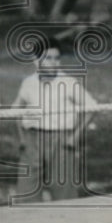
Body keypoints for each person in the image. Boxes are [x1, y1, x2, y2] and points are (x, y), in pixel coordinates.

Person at [12, 37, 98, 202]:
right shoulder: (28, 83)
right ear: (36, 61)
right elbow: (15, 111)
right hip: (32, 140)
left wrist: (75, 137)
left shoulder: (68, 82)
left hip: (61, 141)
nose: (54, 62)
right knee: (26, 194)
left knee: (64, 194)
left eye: (56, 58)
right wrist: (22, 138)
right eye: (48, 58)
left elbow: (92, 107)